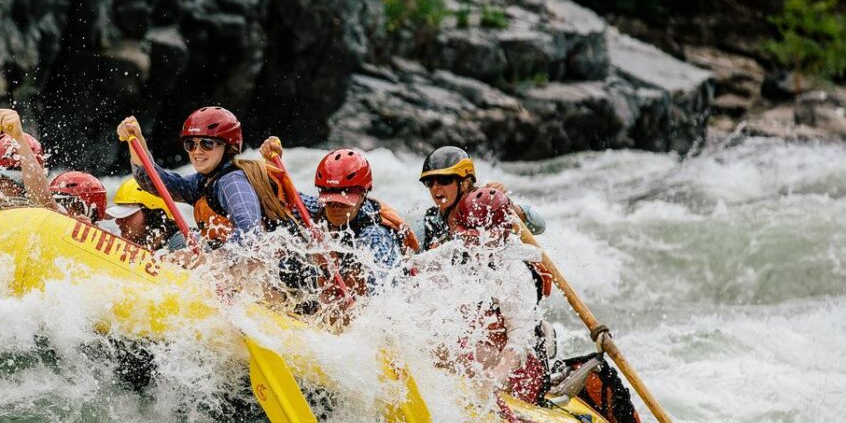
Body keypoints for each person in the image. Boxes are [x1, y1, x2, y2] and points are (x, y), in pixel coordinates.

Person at [115, 108, 294, 256]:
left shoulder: (232, 182)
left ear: (228, 146)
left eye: (207, 144)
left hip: (283, 269)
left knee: (183, 242)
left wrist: (210, 261)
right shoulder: (203, 182)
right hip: (245, 263)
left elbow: (250, 233)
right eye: (190, 144)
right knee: (185, 240)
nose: (197, 151)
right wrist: (137, 141)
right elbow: (153, 182)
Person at [257, 141, 413, 297]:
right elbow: (284, 197)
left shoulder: (375, 236)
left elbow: (387, 295)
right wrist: (271, 163)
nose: (336, 208)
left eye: (344, 202)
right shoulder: (318, 208)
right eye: (330, 201)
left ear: (362, 196)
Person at [448, 186, 553, 404]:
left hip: (522, 372)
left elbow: (520, 339)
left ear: (498, 234)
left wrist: (496, 376)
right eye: (468, 237)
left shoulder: (515, 272)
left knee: (460, 348)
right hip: (483, 355)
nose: (471, 243)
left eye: (476, 237)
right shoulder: (462, 257)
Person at [416, 146, 545, 251]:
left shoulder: (488, 207)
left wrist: (505, 204)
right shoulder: (428, 222)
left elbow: (539, 226)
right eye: (429, 182)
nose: (435, 187)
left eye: (444, 180)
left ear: (465, 183)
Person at [0, 108, 51, 208]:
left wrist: (19, 137)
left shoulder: (46, 209)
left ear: (23, 186)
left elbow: (44, 202)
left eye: (2, 179)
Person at [105, 179, 183, 252]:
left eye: (128, 215)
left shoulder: (181, 245)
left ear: (153, 216)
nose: (118, 221)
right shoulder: (137, 247)